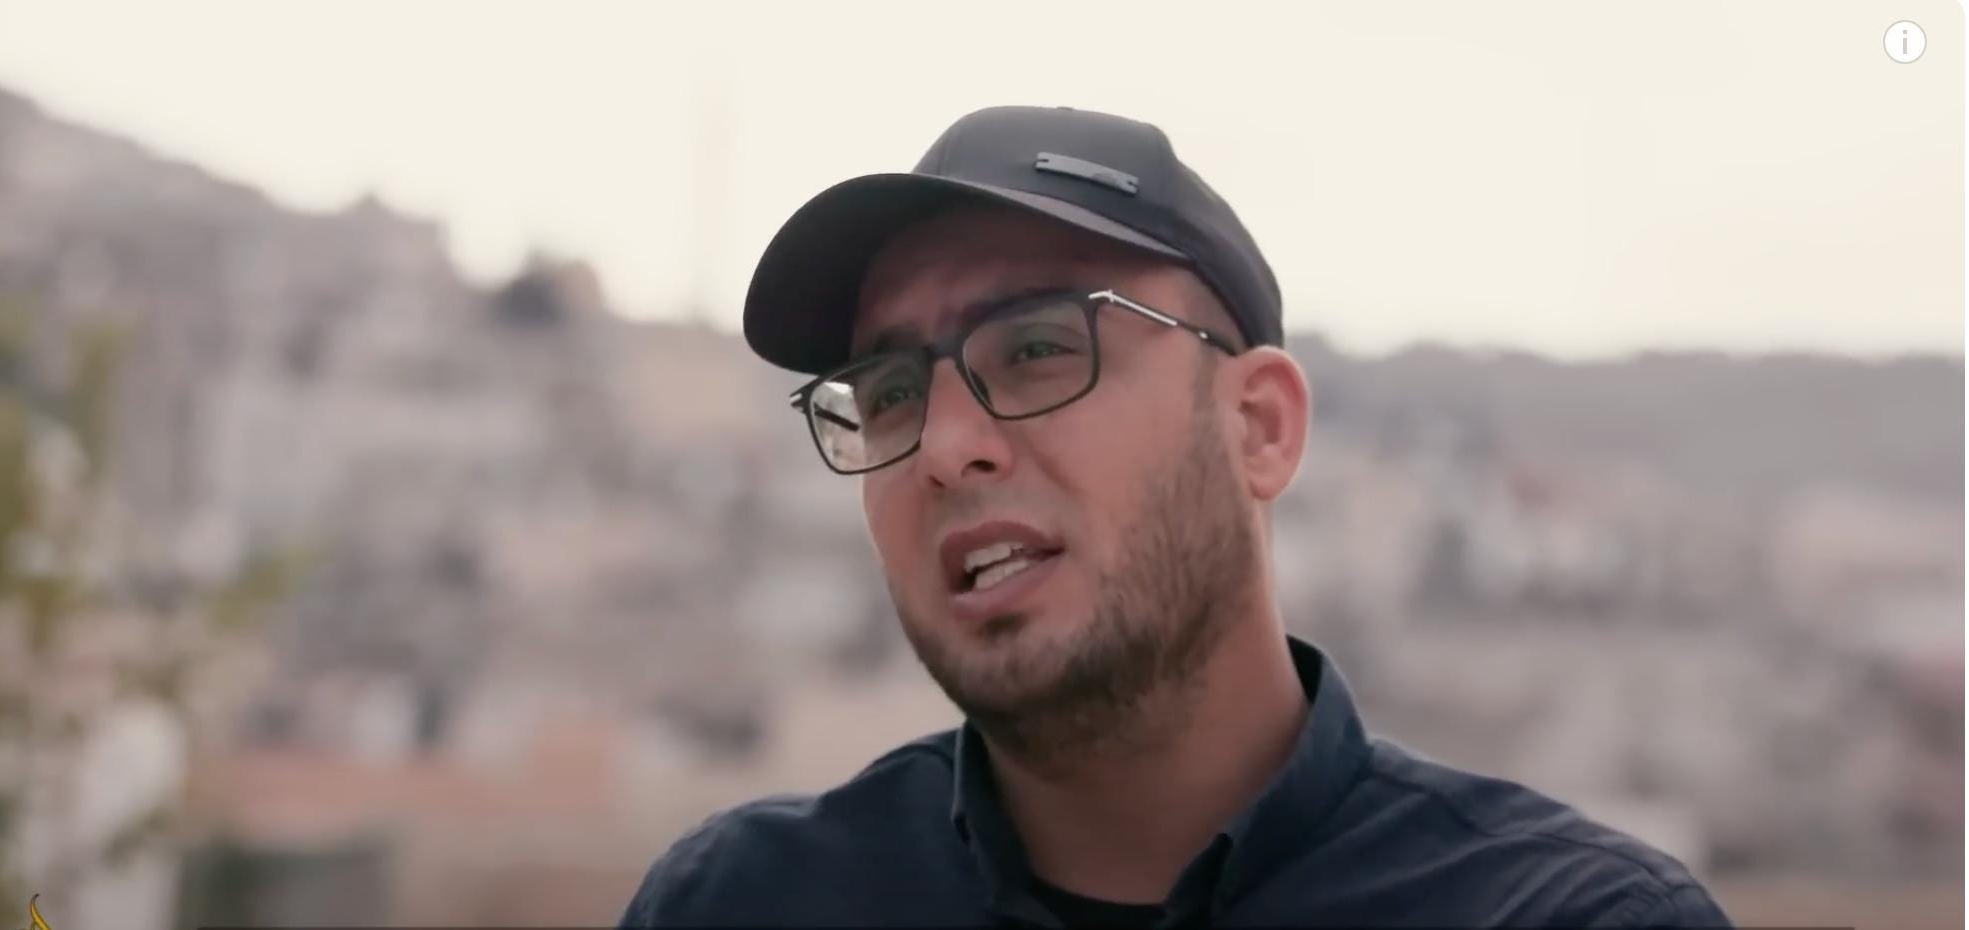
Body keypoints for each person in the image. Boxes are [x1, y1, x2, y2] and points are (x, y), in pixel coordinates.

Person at [619, 105, 1732, 928]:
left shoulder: (1566, 918)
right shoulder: (743, 904)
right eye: (891, 393)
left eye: (1039, 346)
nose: (948, 446)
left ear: (1259, 428)